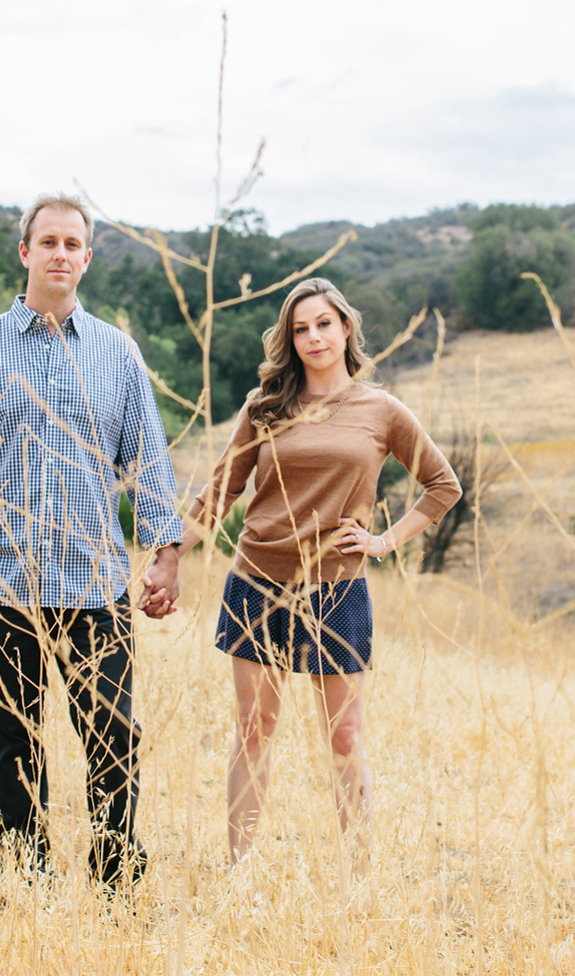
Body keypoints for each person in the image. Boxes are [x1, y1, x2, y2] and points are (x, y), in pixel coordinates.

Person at [0, 192, 183, 889]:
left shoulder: (116, 354)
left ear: (87, 258)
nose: (61, 254)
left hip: (95, 584)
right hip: (1, 584)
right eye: (49, 242)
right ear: (26, 253)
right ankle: (21, 887)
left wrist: (166, 556)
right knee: (10, 741)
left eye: (74, 244)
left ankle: (115, 888)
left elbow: (149, 459)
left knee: (113, 741)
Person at [178, 276, 459, 876]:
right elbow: (221, 489)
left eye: (323, 324)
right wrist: (168, 556)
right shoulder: (265, 407)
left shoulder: (381, 411)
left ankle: (359, 881)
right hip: (257, 581)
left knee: (345, 738)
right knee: (254, 730)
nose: (313, 337)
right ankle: (240, 873)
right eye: (300, 329)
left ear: (346, 328)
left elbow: (443, 485)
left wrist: (383, 541)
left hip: (338, 589)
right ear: (289, 339)